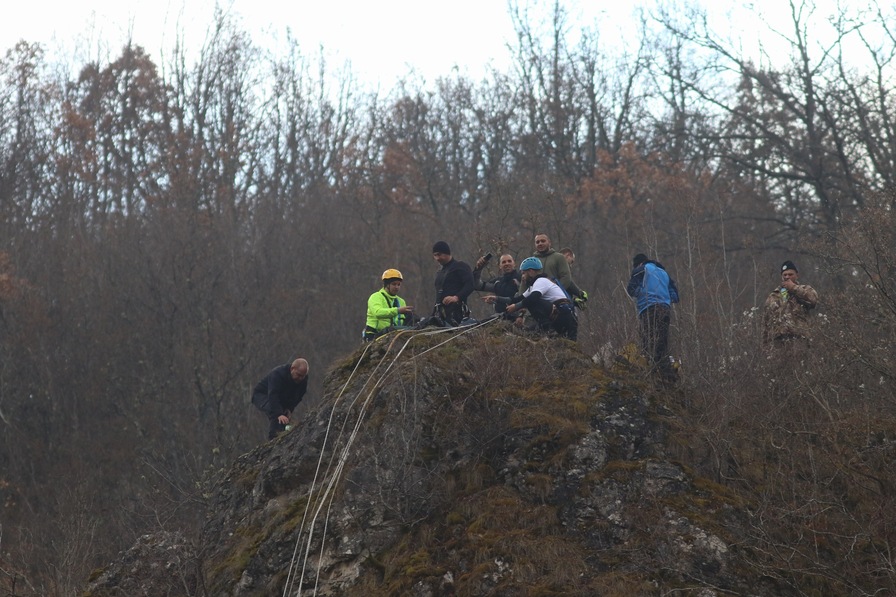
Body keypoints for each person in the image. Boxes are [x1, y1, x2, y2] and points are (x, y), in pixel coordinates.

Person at [486, 257, 578, 340]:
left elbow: (533, 298)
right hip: (561, 316)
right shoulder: (533, 286)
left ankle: (547, 329)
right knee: (530, 329)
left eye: (524, 273)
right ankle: (545, 330)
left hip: (565, 316)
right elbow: (517, 299)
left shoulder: (541, 281)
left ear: (530, 271)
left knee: (532, 301)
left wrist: (516, 307)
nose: (522, 276)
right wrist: (497, 299)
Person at [626, 253, 680, 381]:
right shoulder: (663, 273)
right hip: (665, 309)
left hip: (649, 308)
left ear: (639, 263)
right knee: (661, 342)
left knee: (647, 341)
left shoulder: (642, 269)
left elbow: (631, 289)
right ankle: (667, 374)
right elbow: (675, 296)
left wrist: (640, 292)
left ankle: (652, 373)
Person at [762, 260, 818, 350]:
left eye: (790, 274)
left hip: (799, 340)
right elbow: (766, 323)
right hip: (778, 343)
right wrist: (765, 347)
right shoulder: (773, 296)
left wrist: (793, 287)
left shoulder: (805, 290)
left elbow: (813, 300)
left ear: (797, 275)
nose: (787, 277)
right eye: (785, 275)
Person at [523, 234, 588, 309]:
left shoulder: (558, 257)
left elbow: (567, 279)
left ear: (549, 242)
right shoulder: (531, 261)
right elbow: (524, 284)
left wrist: (578, 293)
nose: (540, 243)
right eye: (537, 242)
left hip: (557, 304)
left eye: (543, 241)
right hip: (536, 303)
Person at [251, 358, 309, 439]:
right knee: (275, 412)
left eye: (303, 376)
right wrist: (278, 414)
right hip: (262, 395)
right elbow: (273, 395)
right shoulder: (277, 374)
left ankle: (282, 434)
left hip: (280, 397)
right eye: (298, 375)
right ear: (292, 368)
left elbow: (298, 397)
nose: (300, 378)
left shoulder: (303, 380)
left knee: (284, 415)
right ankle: (273, 438)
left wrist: (289, 409)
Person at [363, 269, 415, 341]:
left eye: (398, 284)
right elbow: (377, 313)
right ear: (386, 285)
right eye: (394, 284)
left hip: (394, 336)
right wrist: (398, 310)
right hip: (374, 336)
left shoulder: (401, 301)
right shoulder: (376, 297)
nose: (397, 287)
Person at [432, 241, 475, 325]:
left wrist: (456, 297)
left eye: (439, 254)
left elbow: (470, 285)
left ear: (446, 253)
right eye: (435, 255)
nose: (437, 258)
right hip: (441, 315)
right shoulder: (440, 272)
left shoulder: (460, 266)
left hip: (457, 314)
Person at [473, 253, 521, 318]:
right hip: (500, 318)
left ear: (514, 264)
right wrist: (478, 268)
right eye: (504, 262)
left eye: (509, 261)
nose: (507, 263)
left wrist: (521, 316)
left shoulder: (521, 279)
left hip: (518, 318)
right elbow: (477, 285)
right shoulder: (497, 282)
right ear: (500, 266)